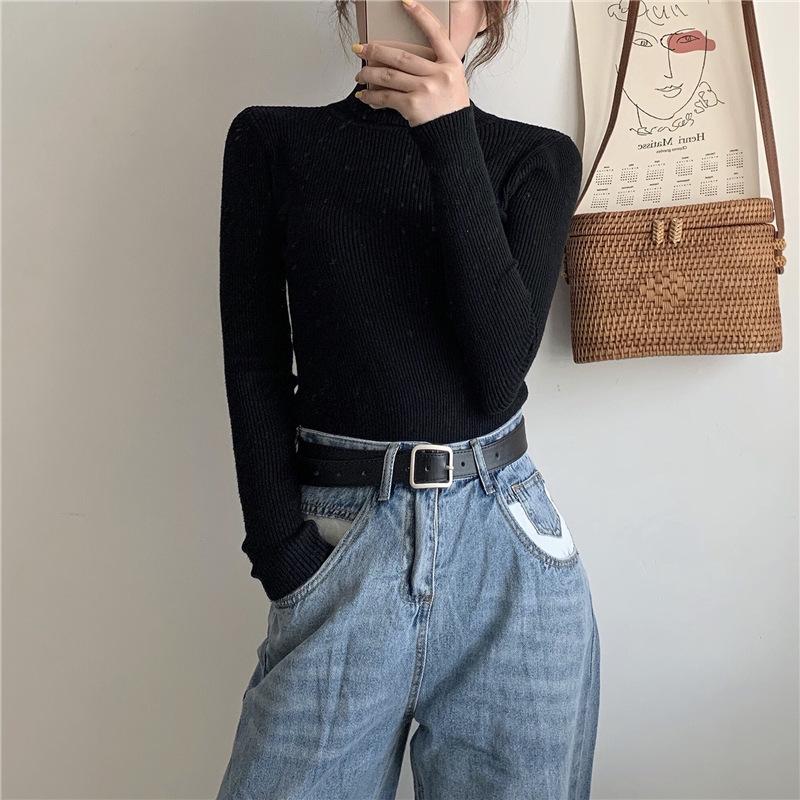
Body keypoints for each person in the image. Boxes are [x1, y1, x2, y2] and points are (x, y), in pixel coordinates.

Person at [215, 0, 599, 797]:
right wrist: (284, 555)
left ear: (490, 12)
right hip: (341, 545)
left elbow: (498, 372)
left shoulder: (538, 158)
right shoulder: (271, 143)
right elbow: (254, 360)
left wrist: (448, 137)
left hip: (507, 557)